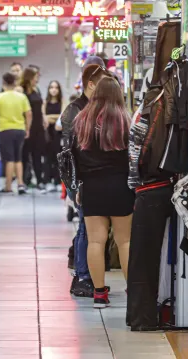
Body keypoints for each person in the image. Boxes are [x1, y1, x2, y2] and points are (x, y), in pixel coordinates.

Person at [72, 74, 133, 309]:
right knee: (125, 241)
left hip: (92, 186)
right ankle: (132, 291)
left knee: (95, 241)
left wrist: (78, 185)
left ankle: (99, 293)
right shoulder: (125, 120)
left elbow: (74, 156)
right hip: (120, 185)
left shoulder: (81, 120)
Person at [62, 58, 110, 298]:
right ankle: (83, 277)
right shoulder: (76, 111)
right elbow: (73, 152)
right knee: (85, 228)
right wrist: (77, 183)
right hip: (79, 178)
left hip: (88, 177)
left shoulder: (92, 109)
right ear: (90, 84)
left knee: (90, 229)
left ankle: (86, 274)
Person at [0, 73, 32, 194]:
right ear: (14, 83)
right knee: (18, 158)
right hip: (19, 129)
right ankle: (20, 184)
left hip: (5, 130)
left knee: (9, 159)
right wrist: (27, 128)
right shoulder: (21, 97)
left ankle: (8, 186)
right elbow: (28, 114)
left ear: (3, 83)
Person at [21, 67, 47, 193]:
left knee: (38, 154)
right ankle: (24, 181)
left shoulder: (37, 89)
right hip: (27, 126)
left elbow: (40, 106)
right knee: (25, 155)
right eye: (36, 76)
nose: (37, 79)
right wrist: (26, 127)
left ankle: (39, 180)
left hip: (38, 126)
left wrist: (44, 118)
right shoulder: (22, 91)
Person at [44, 80, 64, 192]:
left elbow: (62, 117)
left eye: (56, 87)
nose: (54, 89)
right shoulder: (45, 102)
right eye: (51, 87)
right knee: (47, 158)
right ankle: (47, 181)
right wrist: (53, 118)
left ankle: (57, 181)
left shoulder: (62, 102)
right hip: (47, 134)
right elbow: (44, 118)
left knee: (58, 158)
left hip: (59, 134)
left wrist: (50, 117)